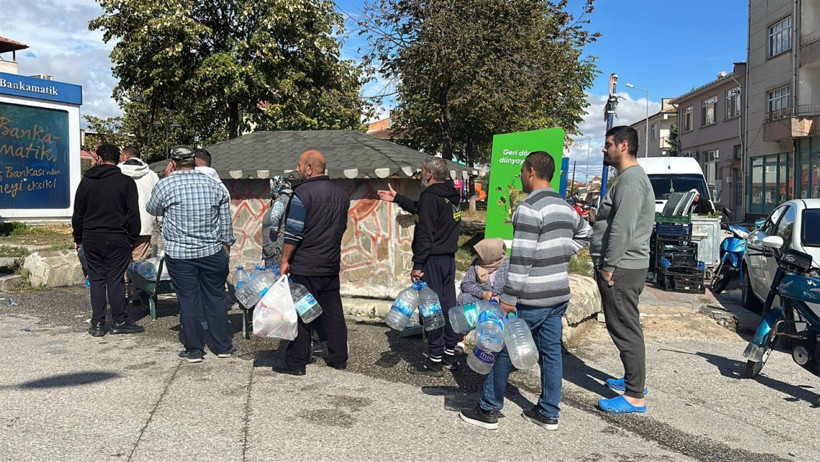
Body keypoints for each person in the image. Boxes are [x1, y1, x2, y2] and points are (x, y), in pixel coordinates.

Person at [458, 151, 592, 431]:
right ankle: (548, 412)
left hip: (532, 297)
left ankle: (488, 409)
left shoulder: (528, 208)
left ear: (531, 171)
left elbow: (520, 260)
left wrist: (508, 299)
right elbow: (586, 234)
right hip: (558, 295)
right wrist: (559, 254)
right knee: (551, 353)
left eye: (521, 171)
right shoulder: (565, 207)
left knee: (503, 347)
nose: (520, 176)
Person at [146, 145, 236, 363]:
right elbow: (225, 223)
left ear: (173, 163)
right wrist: (226, 246)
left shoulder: (166, 184)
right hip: (212, 252)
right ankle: (223, 346)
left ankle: (195, 350)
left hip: (180, 255)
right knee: (215, 297)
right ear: (195, 162)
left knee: (188, 300)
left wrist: (166, 179)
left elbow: (153, 209)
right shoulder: (214, 185)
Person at [591, 126, 655, 414]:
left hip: (621, 267)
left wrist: (608, 266)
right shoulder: (629, 179)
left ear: (624, 146)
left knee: (625, 328)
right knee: (627, 325)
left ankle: (634, 396)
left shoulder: (630, 181)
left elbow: (622, 228)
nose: (605, 150)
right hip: (626, 265)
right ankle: (634, 381)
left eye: (608, 144)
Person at [377, 157, 461, 376]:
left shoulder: (431, 196)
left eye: (423, 171)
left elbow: (424, 233)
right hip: (448, 260)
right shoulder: (450, 195)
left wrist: (418, 264)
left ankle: (434, 361)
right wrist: (398, 199)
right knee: (447, 306)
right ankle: (449, 354)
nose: (421, 175)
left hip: (432, 261)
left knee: (431, 310)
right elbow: (422, 210)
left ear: (430, 174)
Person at [276, 150, 350, 376]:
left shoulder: (302, 194)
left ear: (309, 168)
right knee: (333, 312)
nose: (297, 170)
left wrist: (285, 260)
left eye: (299, 166)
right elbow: (341, 228)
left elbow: (293, 233)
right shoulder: (342, 194)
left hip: (305, 265)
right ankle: (338, 359)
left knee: (302, 313)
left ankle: (297, 363)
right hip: (329, 264)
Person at [72, 143, 144, 337]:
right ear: (118, 159)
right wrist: (132, 237)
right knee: (115, 279)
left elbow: (78, 213)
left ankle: (97, 323)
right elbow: (133, 214)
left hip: (91, 237)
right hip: (117, 237)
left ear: (99, 159)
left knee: (96, 279)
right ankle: (119, 320)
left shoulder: (86, 181)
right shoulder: (126, 182)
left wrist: (78, 237)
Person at [117, 145, 160, 293]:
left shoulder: (117, 172)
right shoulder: (152, 175)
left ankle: (122, 291)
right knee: (139, 260)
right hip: (145, 224)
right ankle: (137, 292)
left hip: (122, 224)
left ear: (127, 156)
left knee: (120, 260)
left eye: (121, 155)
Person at [262, 175, 293, 266]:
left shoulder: (281, 199)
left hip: (275, 249)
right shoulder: (288, 199)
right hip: (276, 248)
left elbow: (275, 215)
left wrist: (274, 229)